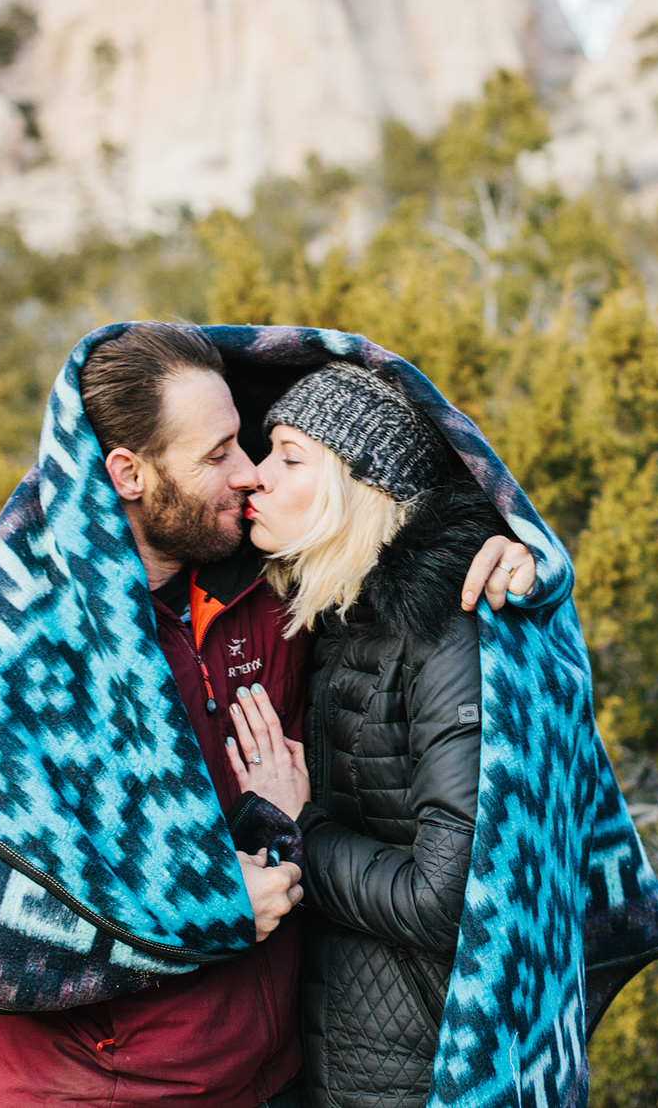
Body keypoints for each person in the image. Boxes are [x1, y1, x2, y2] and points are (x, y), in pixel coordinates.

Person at [0, 326, 532, 1107]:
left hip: (288, 1070)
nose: (246, 475)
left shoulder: (280, 596)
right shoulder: (29, 638)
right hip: (94, 1088)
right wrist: (207, 895)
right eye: (220, 455)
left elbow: (398, 515)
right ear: (129, 473)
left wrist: (517, 549)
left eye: (259, 446)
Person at [218, 362, 501, 1108]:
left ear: (362, 487)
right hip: (336, 1049)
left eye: (288, 455)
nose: (256, 476)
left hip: (414, 1069)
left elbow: (446, 897)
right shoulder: (342, 615)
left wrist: (301, 823)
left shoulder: (445, 636)